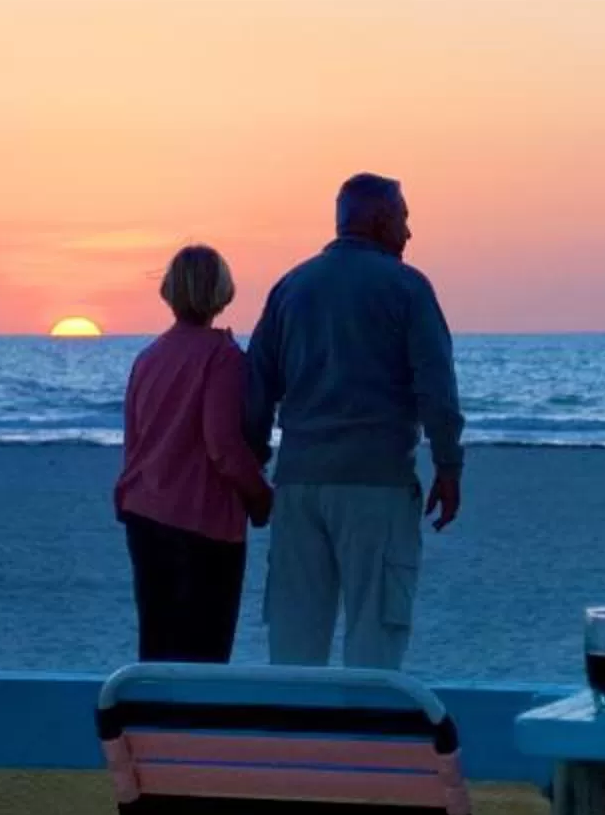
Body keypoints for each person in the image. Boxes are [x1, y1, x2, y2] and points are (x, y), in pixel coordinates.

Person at [246, 173, 465, 669]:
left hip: (299, 485)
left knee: (295, 642)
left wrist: (253, 463)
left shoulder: (291, 287)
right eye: (404, 218)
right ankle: (365, 742)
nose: (409, 233)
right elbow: (436, 388)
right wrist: (449, 466)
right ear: (380, 219)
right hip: (376, 486)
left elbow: (257, 386)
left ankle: (299, 742)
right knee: (375, 636)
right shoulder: (407, 288)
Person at [114, 245, 276, 663]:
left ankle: (154, 727)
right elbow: (222, 445)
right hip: (201, 525)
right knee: (205, 652)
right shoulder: (222, 358)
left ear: (170, 291)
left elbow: (135, 441)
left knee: (157, 642)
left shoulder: (148, 358)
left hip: (145, 514)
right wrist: (260, 497)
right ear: (222, 292)